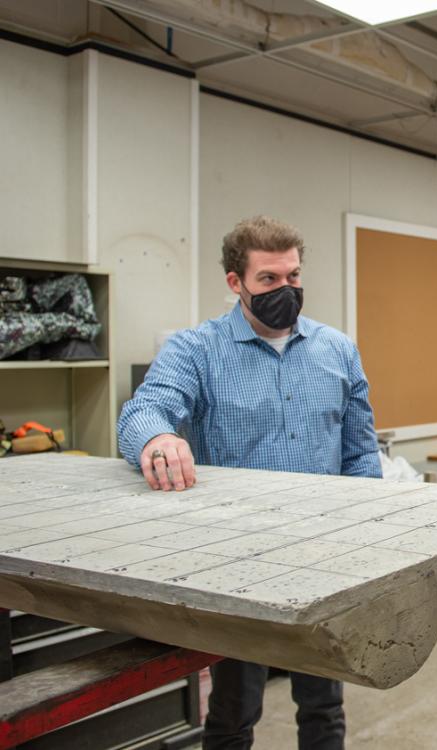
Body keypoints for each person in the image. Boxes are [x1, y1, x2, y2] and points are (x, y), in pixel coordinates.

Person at [118, 215, 381, 750]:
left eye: (294, 277)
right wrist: (156, 440)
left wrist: (368, 537)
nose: (285, 290)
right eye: (268, 280)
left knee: (324, 706)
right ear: (236, 282)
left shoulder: (337, 351)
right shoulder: (197, 350)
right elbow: (144, 410)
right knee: (234, 709)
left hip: (322, 557)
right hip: (236, 562)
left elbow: (360, 454)